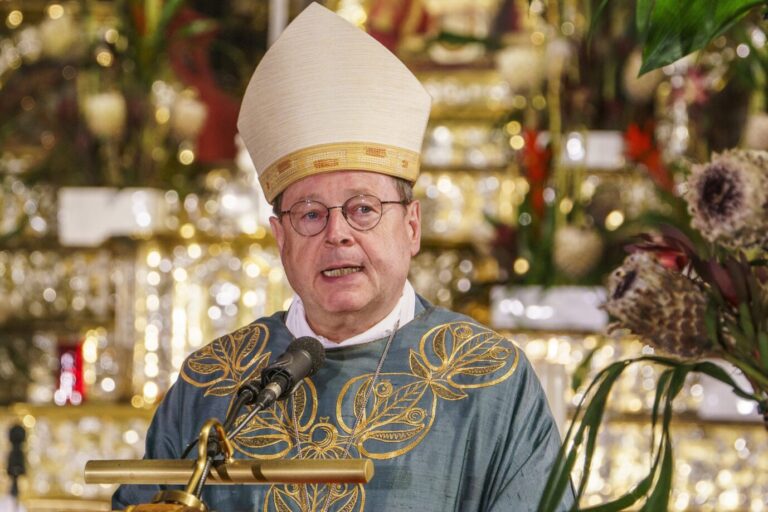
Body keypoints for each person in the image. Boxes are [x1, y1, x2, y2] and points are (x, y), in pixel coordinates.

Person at [113, 4, 573, 511]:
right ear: (280, 238)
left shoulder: (489, 380)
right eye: (310, 215)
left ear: (412, 226)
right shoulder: (215, 384)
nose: (338, 235)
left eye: (363, 209)